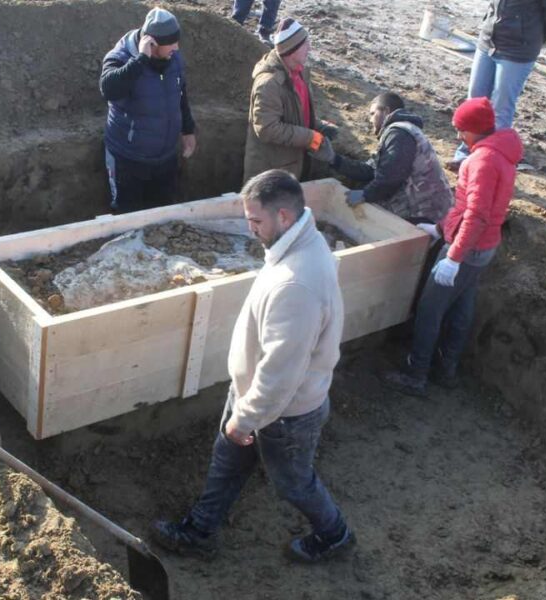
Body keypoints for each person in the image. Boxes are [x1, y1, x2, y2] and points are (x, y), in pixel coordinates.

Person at [152, 169, 353, 563]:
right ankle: (200, 530)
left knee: (295, 482)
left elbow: (281, 372)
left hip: (283, 414)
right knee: (226, 464)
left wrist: (245, 419)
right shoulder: (300, 245)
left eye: (256, 220)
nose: (250, 229)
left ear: (284, 217)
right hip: (256, 399)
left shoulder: (297, 284)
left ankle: (335, 535)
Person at [383, 97, 523, 396]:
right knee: (461, 308)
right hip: (482, 247)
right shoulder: (500, 153)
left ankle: (416, 373)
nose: (459, 136)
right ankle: (446, 370)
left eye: (461, 130)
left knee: (430, 310)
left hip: (468, 249)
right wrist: (438, 229)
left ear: (475, 129)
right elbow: (466, 208)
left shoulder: (482, 161)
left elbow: (476, 214)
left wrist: (453, 257)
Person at [100, 7, 197, 213]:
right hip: (128, 160)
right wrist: (140, 61)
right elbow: (108, 89)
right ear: (152, 43)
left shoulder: (173, 59)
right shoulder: (121, 57)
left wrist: (188, 130)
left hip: (165, 159)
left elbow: (180, 94)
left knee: (162, 214)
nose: (176, 48)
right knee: (127, 216)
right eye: (171, 43)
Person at [450, 0, 546, 169]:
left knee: (501, 107)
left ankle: (488, 162)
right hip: (488, 41)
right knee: (474, 100)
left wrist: (530, 36)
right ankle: (465, 154)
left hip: (518, 50)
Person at [322, 92, 452, 224]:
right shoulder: (399, 132)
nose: (370, 119)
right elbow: (370, 170)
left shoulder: (398, 133)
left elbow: (391, 178)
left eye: (373, 114)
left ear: (385, 111)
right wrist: (334, 159)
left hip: (427, 214)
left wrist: (365, 194)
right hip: (425, 207)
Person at [243, 18, 338, 183]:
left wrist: (319, 126)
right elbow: (267, 128)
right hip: (270, 174)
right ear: (291, 50)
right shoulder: (269, 84)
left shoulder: (300, 72)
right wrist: (310, 137)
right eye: (305, 44)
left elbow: (298, 112)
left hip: (292, 166)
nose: (310, 47)